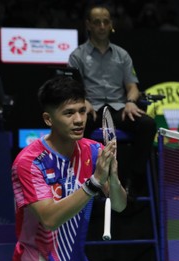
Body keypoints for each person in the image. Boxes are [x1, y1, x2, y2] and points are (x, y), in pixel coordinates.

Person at [10, 76, 127, 261]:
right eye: (68, 113)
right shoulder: (30, 162)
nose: (78, 120)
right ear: (48, 119)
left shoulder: (93, 150)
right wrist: (94, 182)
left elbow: (120, 204)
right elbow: (49, 218)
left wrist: (112, 176)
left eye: (82, 111)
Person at [68, 4, 157, 197]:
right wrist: (83, 101)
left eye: (106, 22)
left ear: (111, 25)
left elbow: (132, 87)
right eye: (97, 22)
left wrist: (131, 101)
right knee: (75, 126)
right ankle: (83, 182)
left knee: (147, 125)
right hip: (91, 109)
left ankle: (133, 180)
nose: (101, 26)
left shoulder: (122, 55)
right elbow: (72, 87)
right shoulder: (77, 55)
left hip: (118, 108)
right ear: (88, 25)